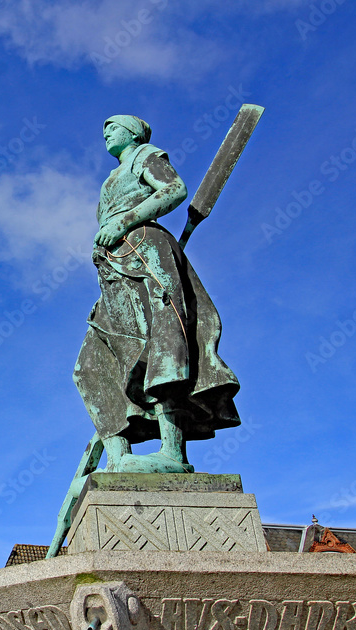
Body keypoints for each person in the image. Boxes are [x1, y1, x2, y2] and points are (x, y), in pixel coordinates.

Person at [73, 114, 240, 473]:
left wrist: (125, 220)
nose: (106, 132)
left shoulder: (145, 156)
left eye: (114, 127)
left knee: (164, 342)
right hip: (115, 269)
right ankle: (119, 456)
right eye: (104, 128)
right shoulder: (113, 176)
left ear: (133, 133)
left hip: (146, 252)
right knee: (91, 363)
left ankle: (173, 453)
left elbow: (174, 189)